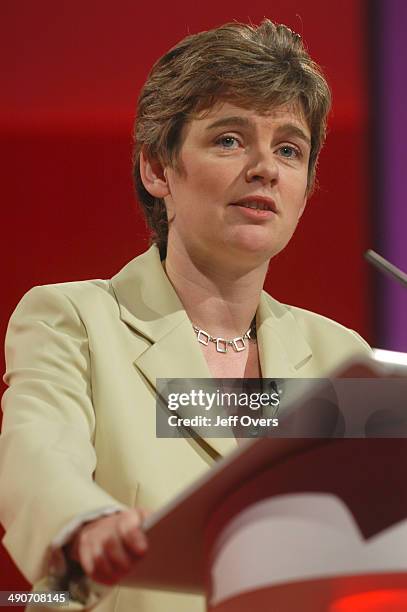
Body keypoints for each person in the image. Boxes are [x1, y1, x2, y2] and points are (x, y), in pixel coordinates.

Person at [0, 18, 370, 612]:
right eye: (229, 139)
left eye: (289, 149)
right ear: (157, 168)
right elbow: (37, 451)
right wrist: (86, 525)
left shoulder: (342, 358)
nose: (265, 168)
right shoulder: (75, 319)